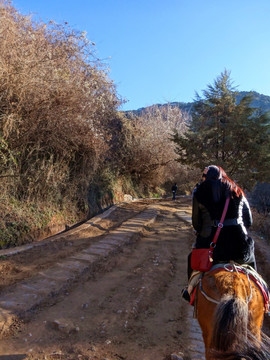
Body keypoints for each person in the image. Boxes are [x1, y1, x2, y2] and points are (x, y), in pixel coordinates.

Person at [182, 165, 255, 302]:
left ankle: (190, 291)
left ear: (205, 177)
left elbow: (196, 223)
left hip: (211, 248)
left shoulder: (199, 191)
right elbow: (248, 221)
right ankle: (264, 296)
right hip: (239, 247)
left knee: (191, 258)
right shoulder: (236, 189)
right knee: (251, 261)